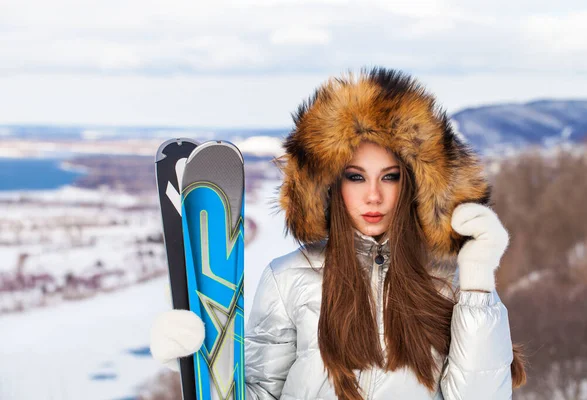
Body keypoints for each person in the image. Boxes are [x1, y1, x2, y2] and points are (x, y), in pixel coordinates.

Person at [150, 67, 527, 399]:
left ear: (412, 184)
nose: (374, 195)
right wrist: (197, 359)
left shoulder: (447, 285)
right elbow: (258, 391)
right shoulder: (288, 279)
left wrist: (478, 279)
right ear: (331, 184)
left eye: (390, 177)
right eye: (356, 177)